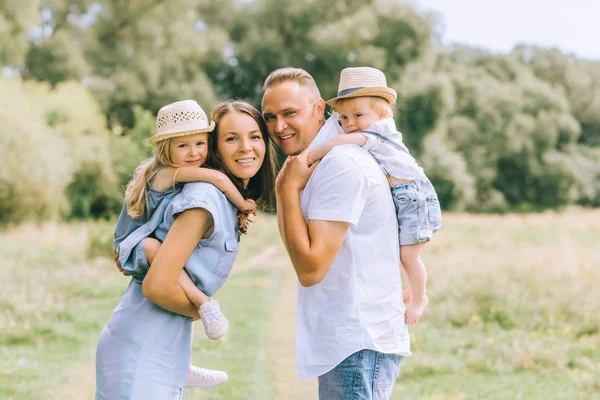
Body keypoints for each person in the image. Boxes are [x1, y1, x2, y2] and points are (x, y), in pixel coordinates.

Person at [96, 100, 276, 399]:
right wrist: (201, 311)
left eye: (255, 136)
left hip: (161, 349)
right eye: (231, 138)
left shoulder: (210, 194)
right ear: (217, 148)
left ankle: (185, 364)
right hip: (142, 349)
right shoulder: (202, 195)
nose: (246, 147)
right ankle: (206, 309)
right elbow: (158, 286)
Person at [261, 67, 410, 399]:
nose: (278, 127)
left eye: (289, 113)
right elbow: (297, 247)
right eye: (270, 117)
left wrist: (286, 191)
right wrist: (286, 184)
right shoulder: (311, 164)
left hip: (357, 343)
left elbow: (310, 269)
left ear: (317, 110)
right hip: (348, 342)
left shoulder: (341, 164)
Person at [307, 67, 442, 325]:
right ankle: (413, 290)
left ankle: (419, 298)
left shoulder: (377, 132)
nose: (349, 124)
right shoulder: (372, 127)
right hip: (405, 196)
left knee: (409, 256)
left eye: (358, 115)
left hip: (413, 197)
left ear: (381, 114)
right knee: (401, 252)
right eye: (343, 118)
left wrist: (313, 155)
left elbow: (342, 142)